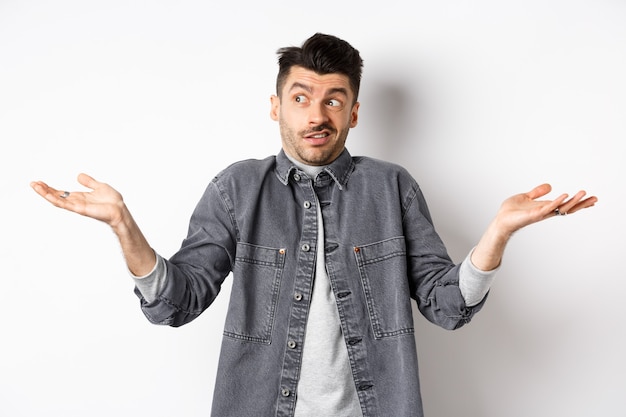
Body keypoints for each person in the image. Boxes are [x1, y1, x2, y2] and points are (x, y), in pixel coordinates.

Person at [30, 33, 597, 417]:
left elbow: (447, 307)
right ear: (276, 106)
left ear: (353, 112)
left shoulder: (391, 187)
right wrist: (124, 227)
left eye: (334, 100)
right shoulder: (237, 188)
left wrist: (496, 234)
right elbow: (176, 303)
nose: (316, 114)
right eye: (300, 97)